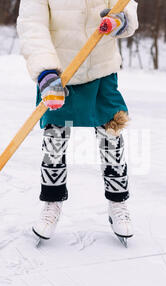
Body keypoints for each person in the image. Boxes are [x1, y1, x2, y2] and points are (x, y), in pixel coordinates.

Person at [17, 0, 139, 243]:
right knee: (54, 140)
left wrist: (121, 20)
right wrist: (45, 71)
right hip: (60, 73)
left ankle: (118, 203)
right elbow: (32, 26)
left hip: (101, 69)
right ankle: (51, 204)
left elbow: (125, 6)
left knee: (112, 136)